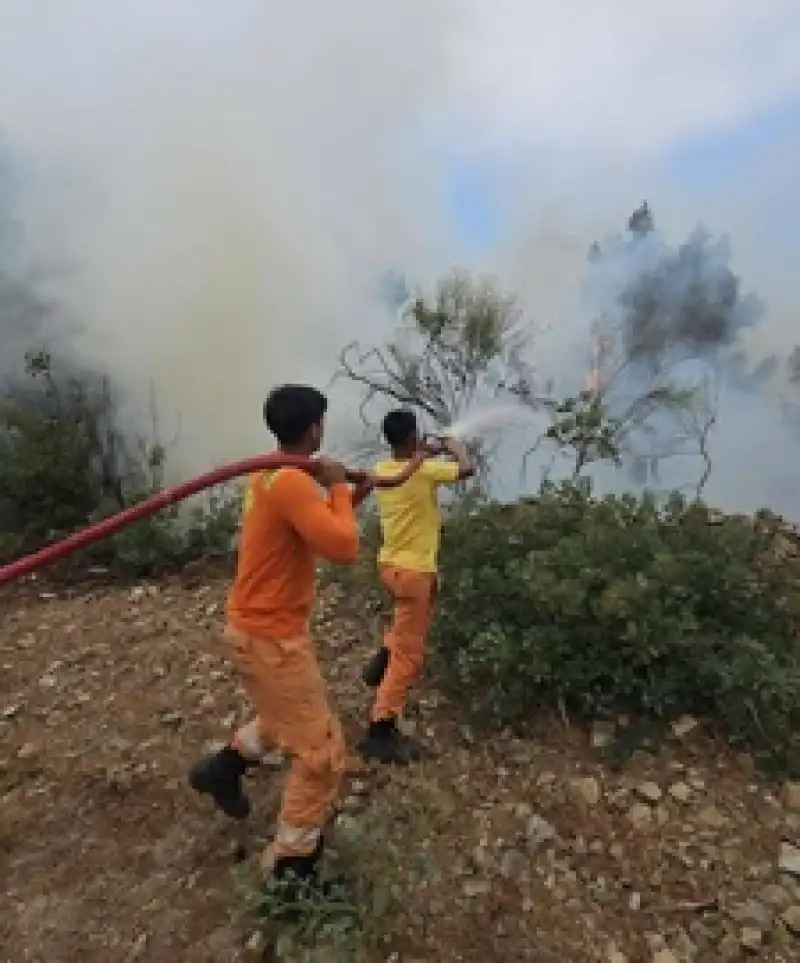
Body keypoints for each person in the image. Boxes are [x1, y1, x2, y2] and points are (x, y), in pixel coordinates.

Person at [187, 384, 359, 894]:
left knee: (281, 718)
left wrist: (339, 490)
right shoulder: (289, 482)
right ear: (314, 429)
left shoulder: (271, 473)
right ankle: (292, 873)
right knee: (321, 755)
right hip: (271, 639)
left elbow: (315, 526)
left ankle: (222, 770)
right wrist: (340, 490)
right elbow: (345, 547)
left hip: (255, 632)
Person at [358, 408, 475, 765]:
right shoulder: (423, 471)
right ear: (411, 438)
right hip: (415, 574)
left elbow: (411, 464)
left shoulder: (382, 470)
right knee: (410, 656)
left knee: (406, 621)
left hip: (390, 567)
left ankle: (382, 659)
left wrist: (426, 450)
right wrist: (455, 446)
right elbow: (467, 469)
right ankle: (380, 727)